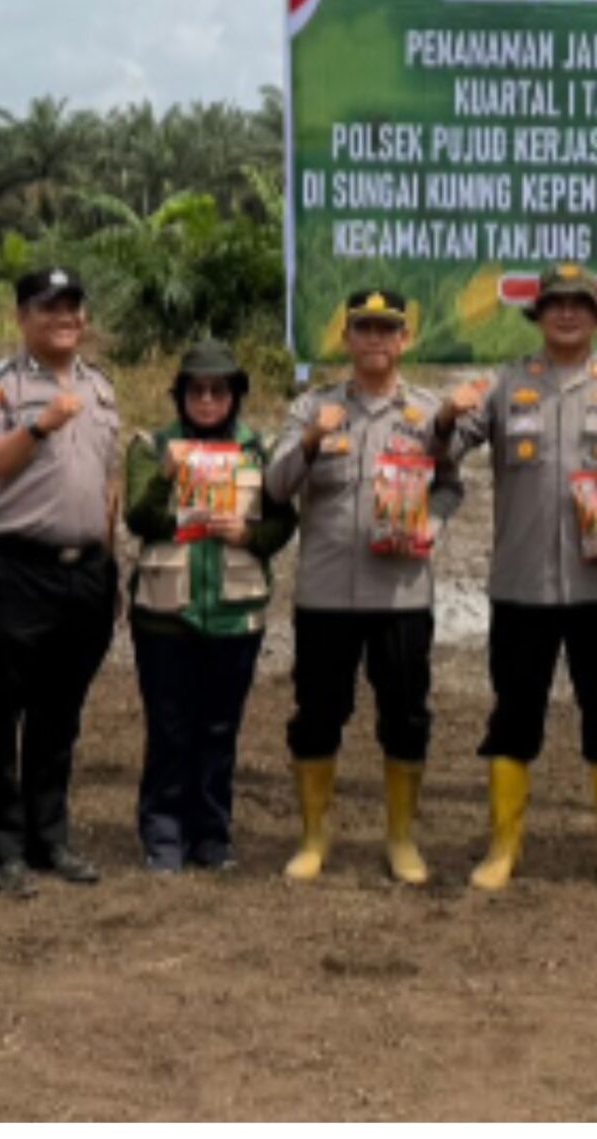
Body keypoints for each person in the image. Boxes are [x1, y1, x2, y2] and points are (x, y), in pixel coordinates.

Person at [436, 262, 597, 894]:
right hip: (522, 586)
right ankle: (502, 848)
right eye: (555, 304)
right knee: (513, 718)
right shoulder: (504, 386)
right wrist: (440, 421)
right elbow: (444, 454)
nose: (567, 313)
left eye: (580, 304)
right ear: (537, 315)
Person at [262, 289, 462, 884]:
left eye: (387, 330)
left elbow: (451, 486)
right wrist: (309, 442)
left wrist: (433, 521)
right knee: (319, 715)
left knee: (405, 717)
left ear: (404, 341)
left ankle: (401, 839)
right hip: (325, 594)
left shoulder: (427, 414)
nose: (375, 340)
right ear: (346, 338)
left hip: (401, 595)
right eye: (363, 329)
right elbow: (275, 487)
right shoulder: (312, 409)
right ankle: (313, 837)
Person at [0, 268, 122, 895]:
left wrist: (112, 561)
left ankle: (48, 837)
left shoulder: (102, 389)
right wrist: (38, 427)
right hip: (15, 569)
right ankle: (0, 851)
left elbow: (108, 485)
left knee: (61, 712)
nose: (64, 318)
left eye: (72, 307)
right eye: (49, 307)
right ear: (23, 316)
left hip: (86, 573)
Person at [124, 340, 297, 873]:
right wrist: (165, 477)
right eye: (195, 390)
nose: (206, 400)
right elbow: (138, 519)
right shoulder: (152, 446)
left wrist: (250, 534)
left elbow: (283, 521)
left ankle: (212, 835)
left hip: (234, 610)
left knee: (220, 728)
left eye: (218, 390)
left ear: (235, 396)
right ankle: (163, 834)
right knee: (170, 726)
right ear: (180, 396)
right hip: (164, 611)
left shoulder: (259, 450)